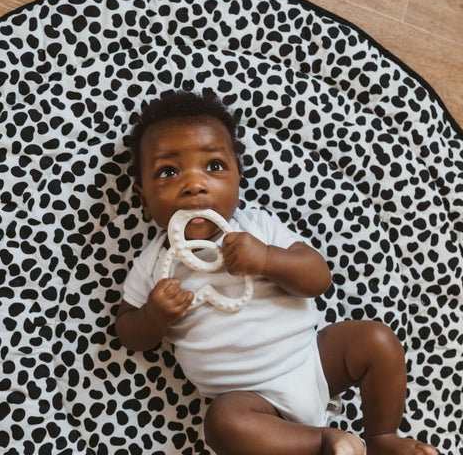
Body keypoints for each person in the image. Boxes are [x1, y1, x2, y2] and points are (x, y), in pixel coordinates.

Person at [116, 91, 438, 455]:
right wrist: (154, 315)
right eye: (169, 172)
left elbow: (318, 278)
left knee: (377, 341)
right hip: (246, 400)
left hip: (312, 360)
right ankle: (321, 442)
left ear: (238, 176)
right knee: (222, 424)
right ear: (143, 200)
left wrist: (268, 260)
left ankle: (382, 437)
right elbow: (128, 333)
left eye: (215, 166)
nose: (194, 185)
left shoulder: (257, 227)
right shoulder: (152, 263)